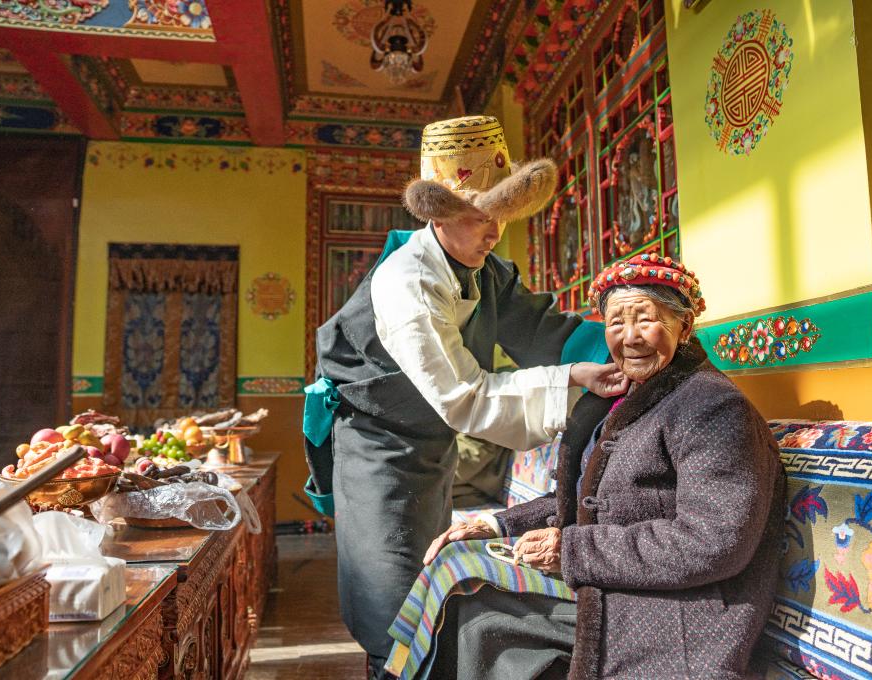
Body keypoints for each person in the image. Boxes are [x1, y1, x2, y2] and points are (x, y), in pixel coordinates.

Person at [303, 115, 625, 679]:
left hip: (431, 449)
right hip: (376, 448)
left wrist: (624, 349)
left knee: (426, 593)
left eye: (500, 215)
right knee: (389, 605)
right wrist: (572, 378)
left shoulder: (488, 271)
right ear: (439, 215)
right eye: (479, 217)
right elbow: (464, 396)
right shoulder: (407, 281)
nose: (493, 231)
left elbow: (541, 330)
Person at [421, 252, 786, 679]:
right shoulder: (631, 396)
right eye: (616, 323)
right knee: (455, 566)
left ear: (684, 326)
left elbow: (715, 542)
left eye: (646, 320)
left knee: (479, 616)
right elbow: (586, 495)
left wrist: (572, 550)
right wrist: (497, 524)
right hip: (615, 582)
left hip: (673, 612)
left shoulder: (711, 407)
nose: (630, 337)